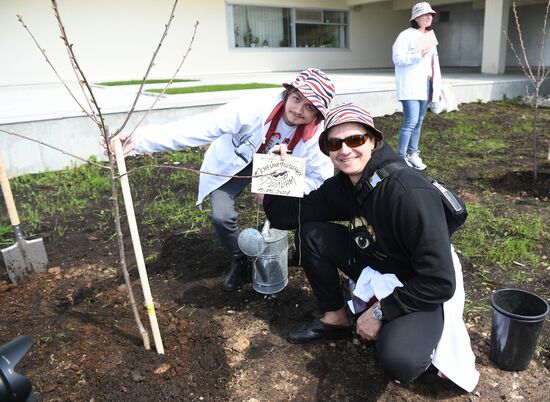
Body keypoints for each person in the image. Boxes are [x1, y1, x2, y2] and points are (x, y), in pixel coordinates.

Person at [263, 103, 479, 392]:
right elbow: (286, 216)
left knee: (398, 361)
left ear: (374, 141)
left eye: (355, 140)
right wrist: (278, 170)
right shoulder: (346, 185)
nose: (345, 150)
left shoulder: (406, 193)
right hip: (379, 259)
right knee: (311, 234)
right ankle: (336, 318)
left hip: (419, 283)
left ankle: (418, 336)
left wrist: (381, 312)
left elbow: (439, 281)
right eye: (334, 143)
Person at [111, 68, 335, 292]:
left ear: (317, 114)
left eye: (309, 107)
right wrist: (140, 140)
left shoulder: (316, 138)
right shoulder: (254, 107)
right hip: (237, 160)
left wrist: (280, 187)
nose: (298, 110)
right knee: (221, 215)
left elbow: (321, 180)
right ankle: (240, 258)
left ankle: (300, 248)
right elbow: (202, 126)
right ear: (287, 94)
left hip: (282, 170)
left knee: (297, 209)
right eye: (296, 99)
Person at [392, 2, 441, 171]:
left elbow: (434, 65)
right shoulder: (406, 35)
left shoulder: (429, 36)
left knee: (419, 122)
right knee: (410, 122)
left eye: (431, 15)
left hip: (426, 84)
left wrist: (437, 87)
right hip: (411, 85)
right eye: (425, 15)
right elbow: (397, 58)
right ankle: (401, 156)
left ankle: (413, 154)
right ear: (416, 18)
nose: (429, 17)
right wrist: (417, 54)